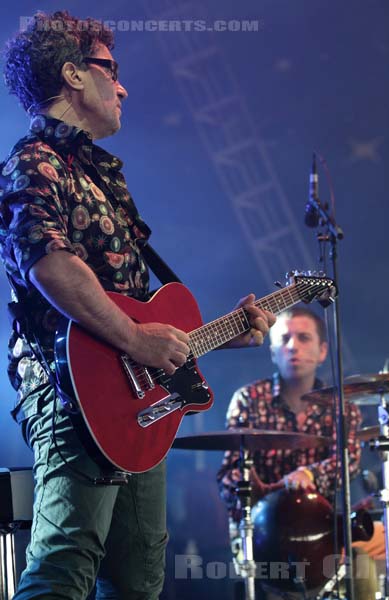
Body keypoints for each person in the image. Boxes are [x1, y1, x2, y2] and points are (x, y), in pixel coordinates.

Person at [0, 11, 275, 600]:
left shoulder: (102, 177)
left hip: (134, 408)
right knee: (62, 570)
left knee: (138, 581)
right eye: (111, 70)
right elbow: (47, 263)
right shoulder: (35, 162)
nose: (122, 86)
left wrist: (223, 334)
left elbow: (146, 313)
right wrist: (133, 338)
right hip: (70, 396)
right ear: (73, 74)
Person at [217, 307, 367, 598]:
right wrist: (253, 489)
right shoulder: (248, 399)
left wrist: (311, 474)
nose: (293, 346)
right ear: (273, 351)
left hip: (322, 538)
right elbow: (228, 475)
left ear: (323, 351)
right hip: (263, 536)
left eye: (303, 338)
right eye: (284, 338)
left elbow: (350, 459)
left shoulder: (342, 407)